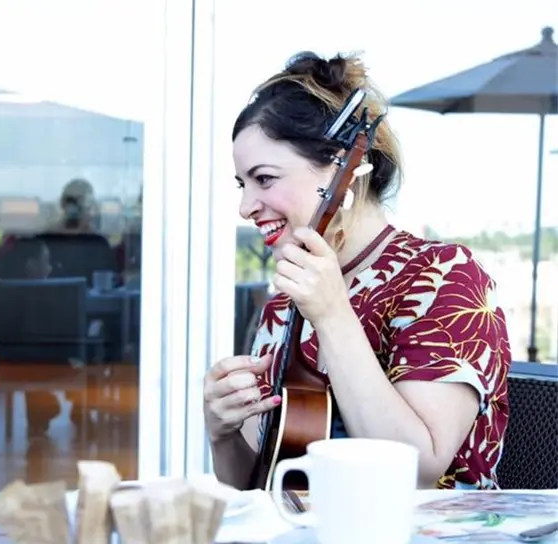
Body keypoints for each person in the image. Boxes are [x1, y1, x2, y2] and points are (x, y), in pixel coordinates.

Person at [203, 51, 511, 491]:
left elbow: (418, 469)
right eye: (242, 184)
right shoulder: (286, 303)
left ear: (341, 167)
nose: (246, 206)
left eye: (265, 179)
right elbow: (261, 482)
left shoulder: (444, 276)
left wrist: (331, 315)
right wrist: (222, 435)